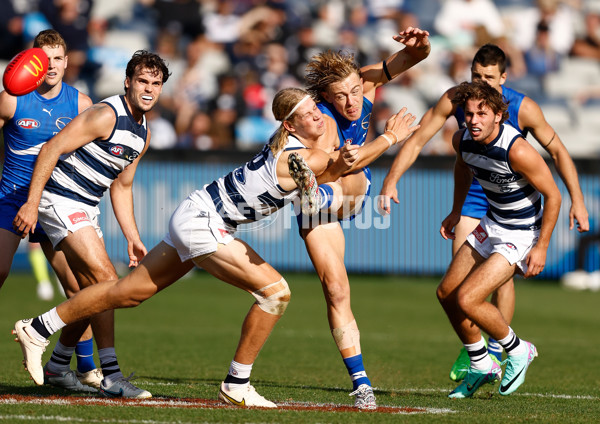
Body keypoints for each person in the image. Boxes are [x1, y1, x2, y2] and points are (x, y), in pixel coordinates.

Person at [13, 87, 415, 408]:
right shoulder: (302, 155)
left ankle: (37, 327)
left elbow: (336, 165)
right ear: (290, 127)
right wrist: (392, 136)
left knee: (129, 292)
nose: (317, 116)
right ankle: (237, 382)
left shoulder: (302, 151)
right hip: (206, 224)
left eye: (315, 109)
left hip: (196, 212)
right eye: (308, 113)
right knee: (275, 293)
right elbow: (344, 166)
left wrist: (352, 158)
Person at [378, 43, 589, 381]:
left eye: (489, 77)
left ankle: (500, 350)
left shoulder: (523, 109)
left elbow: (559, 153)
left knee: (493, 285)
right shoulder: (459, 101)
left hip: (514, 206)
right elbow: (421, 142)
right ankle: (478, 356)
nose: (482, 83)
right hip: (479, 197)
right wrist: (392, 179)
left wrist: (576, 199)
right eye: (476, 75)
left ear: (503, 78)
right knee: (454, 289)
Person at [12, 49, 171, 399]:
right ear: (128, 82)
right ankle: (42, 333)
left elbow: (123, 185)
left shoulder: (143, 133)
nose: (148, 89)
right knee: (108, 282)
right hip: (60, 199)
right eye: (142, 81)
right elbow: (51, 149)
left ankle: (57, 365)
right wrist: (33, 204)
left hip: (86, 207)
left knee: (95, 294)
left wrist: (132, 236)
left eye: (155, 83)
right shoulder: (104, 114)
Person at [300, 26, 430, 409]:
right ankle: (361, 383)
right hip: (327, 192)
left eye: (356, 90)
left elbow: (414, 58)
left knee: (351, 178)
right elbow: (345, 163)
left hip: (334, 193)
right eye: (340, 95)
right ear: (325, 97)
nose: (352, 101)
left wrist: (420, 43)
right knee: (336, 289)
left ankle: (314, 194)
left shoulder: (365, 84)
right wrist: (390, 138)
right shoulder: (319, 122)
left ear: (362, 82)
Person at [438, 80, 561, 398]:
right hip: (491, 223)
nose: (474, 120)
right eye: (468, 113)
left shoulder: (517, 149)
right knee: (446, 293)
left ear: (499, 115)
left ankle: (519, 350)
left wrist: (542, 246)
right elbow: (462, 168)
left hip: (521, 233)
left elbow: (554, 195)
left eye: (482, 113)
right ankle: (480, 363)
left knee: (468, 299)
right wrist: (456, 210)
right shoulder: (462, 140)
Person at [0, 29, 102, 392]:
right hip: (13, 198)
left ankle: (85, 368)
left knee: (81, 289)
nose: (52, 65)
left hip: (54, 202)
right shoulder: (12, 100)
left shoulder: (81, 104)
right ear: (33, 62)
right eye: (45, 59)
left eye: (58, 58)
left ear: (67, 61)